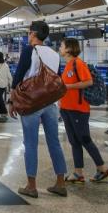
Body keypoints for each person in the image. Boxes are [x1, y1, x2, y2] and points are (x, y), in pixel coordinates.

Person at [9, 21, 67, 198]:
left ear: (33, 34)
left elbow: (19, 76)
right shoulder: (54, 54)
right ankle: (60, 183)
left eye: (28, 32)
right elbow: (54, 79)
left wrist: (12, 101)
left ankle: (31, 186)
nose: (28, 35)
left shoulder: (29, 50)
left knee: (31, 143)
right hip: (50, 103)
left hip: (31, 103)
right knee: (54, 142)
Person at [58, 38, 108, 183]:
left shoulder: (78, 63)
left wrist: (68, 87)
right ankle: (78, 172)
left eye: (61, 46)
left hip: (78, 109)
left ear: (69, 49)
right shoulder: (68, 65)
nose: (59, 48)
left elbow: (88, 81)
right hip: (67, 109)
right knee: (74, 141)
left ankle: (102, 168)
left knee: (85, 139)